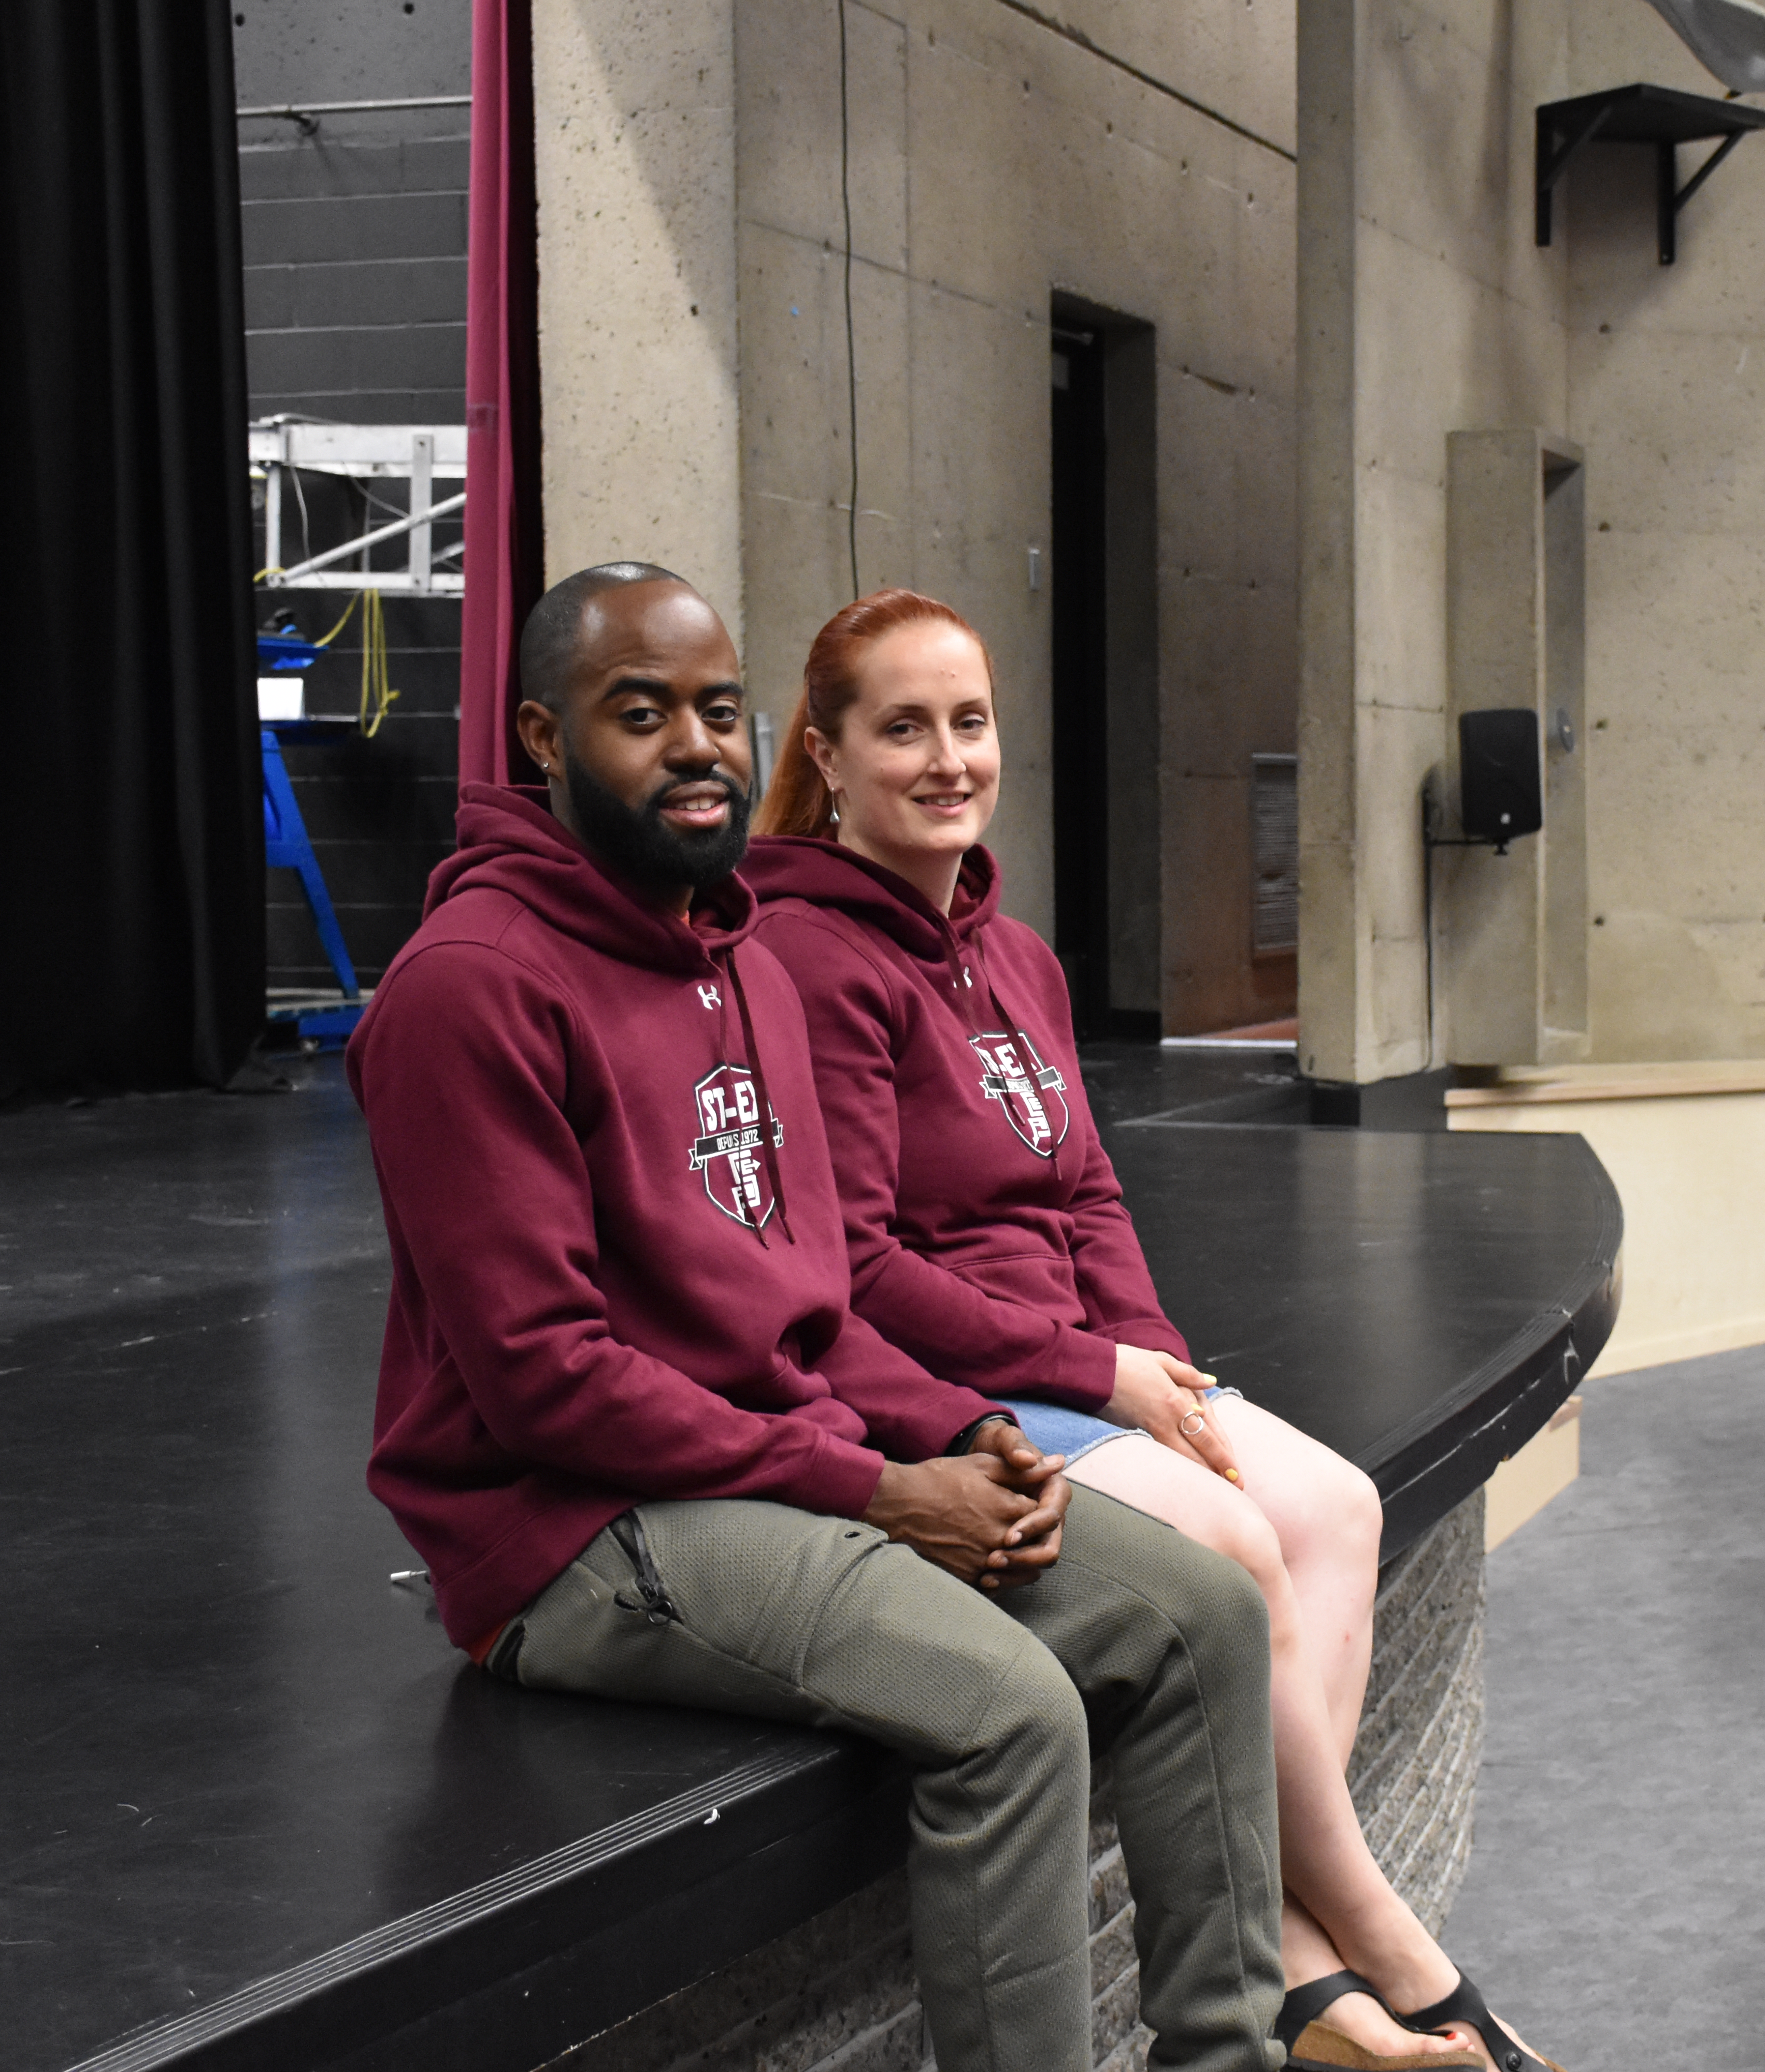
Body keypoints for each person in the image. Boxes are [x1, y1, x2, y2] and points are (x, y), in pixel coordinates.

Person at [349, 563, 1288, 2072]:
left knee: (1205, 1618)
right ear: (540, 737)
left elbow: (809, 1303)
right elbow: (543, 1385)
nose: (695, 748)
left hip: (768, 1460)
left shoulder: (739, 964)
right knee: (1010, 1710)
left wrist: (964, 1428)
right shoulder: (469, 989)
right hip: (572, 1531)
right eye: (637, 714)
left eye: (719, 712)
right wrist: (882, 1487)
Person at [742, 588, 1563, 2072]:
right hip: (944, 1389)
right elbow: (858, 1273)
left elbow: (1089, 1190)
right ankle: (1373, 1937)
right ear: (831, 750)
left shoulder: (1017, 955)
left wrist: (1152, 1364)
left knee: (1332, 1504)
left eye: (971, 723)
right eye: (905, 729)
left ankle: (1298, 1969)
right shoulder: (811, 958)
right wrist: (1094, 1375)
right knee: (1232, 1555)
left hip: (1080, 1362)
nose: (947, 759)